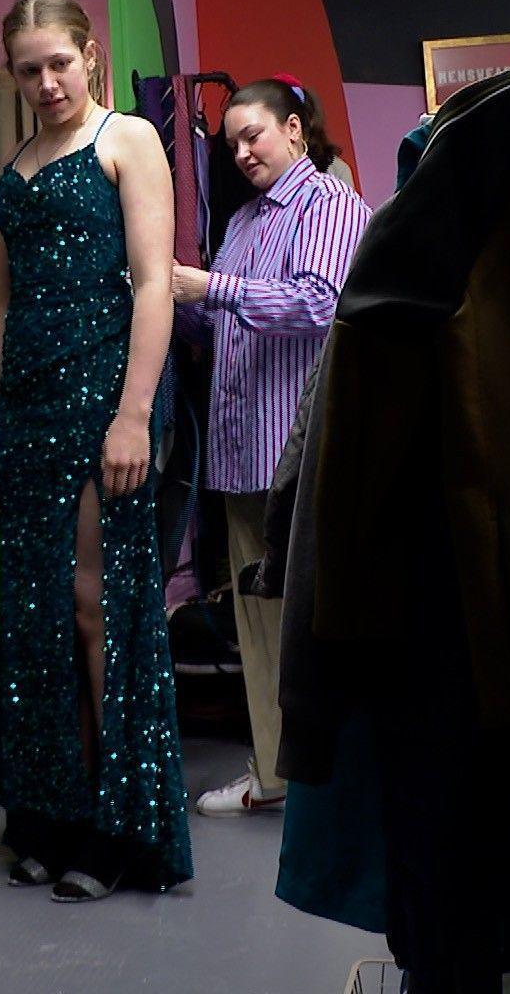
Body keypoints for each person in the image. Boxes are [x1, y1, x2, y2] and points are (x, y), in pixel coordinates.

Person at [0, 0, 191, 902]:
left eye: (59, 61)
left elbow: (152, 284)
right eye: (30, 68)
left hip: (102, 400)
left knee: (95, 606)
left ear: (89, 54)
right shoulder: (15, 162)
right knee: (36, 613)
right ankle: (46, 813)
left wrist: (134, 412)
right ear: (13, 73)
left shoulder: (127, 138)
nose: (47, 80)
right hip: (24, 411)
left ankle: (111, 824)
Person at [170, 75, 372, 818]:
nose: (243, 151)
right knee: (257, 628)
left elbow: (319, 302)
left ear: (295, 130)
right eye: (231, 144)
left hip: (298, 460)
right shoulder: (245, 221)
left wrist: (209, 288)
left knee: (312, 624)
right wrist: (169, 299)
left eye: (254, 134)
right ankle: (275, 775)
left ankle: (333, 786)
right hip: (238, 458)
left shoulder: (332, 207)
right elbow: (221, 322)